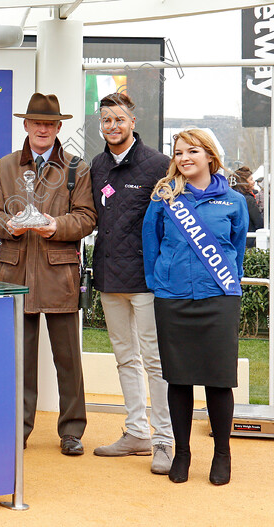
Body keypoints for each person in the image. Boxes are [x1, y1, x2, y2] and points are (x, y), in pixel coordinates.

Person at [0, 92, 96, 455]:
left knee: (68, 359)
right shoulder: (6, 166)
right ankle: (21, 427)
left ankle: (72, 430)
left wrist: (55, 225)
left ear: (59, 127)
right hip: (15, 275)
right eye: (36, 122)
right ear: (26, 125)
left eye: (49, 123)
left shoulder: (77, 167)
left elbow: (87, 218)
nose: (43, 129)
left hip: (59, 274)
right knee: (21, 359)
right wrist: (10, 226)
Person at [143, 129, 247, 485]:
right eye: (178, 153)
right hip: (173, 298)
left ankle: (222, 454)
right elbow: (150, 243)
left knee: (219, 381)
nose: (183, 158)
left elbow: (236, 248)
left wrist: (229, 283)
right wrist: (160, 282)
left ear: (209, 156)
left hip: (219, 297)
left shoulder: (234, 200)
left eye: (192, 151)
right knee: (179, 378)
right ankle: (182, 453)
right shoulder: (164, 197)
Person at [88, 93, 174, 473]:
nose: (113, 126)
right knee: (125, 358)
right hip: (109, 278)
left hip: (146, 280)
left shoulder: (159, 164)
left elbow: (171, 223)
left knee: (155, 361)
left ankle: (164, 439)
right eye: (106, 120)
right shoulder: (97, 165)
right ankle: (137, 431)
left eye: (119, 119)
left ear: (132, 122)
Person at [232, 166, 263, 247]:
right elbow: (259, 223)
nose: (253, 182)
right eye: (251, 179)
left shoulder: (232, 197)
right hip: (248, 242)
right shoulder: (248, 200)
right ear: (244, 182)